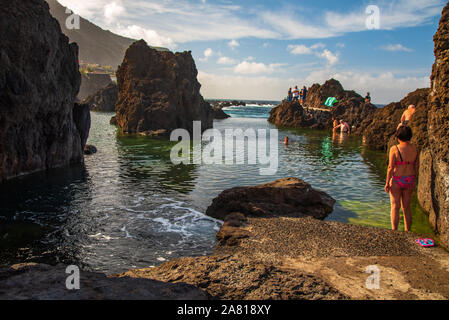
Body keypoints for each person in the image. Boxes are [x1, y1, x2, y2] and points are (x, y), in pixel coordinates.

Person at [385, 126, 419, 231]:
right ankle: (407, 231)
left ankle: (394, 231)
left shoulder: (394, 149)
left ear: (398, 136)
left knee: (395, 206)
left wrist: (387, 182)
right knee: (406, 207)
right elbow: (417, 166)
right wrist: (414, 180)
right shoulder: (415, 149)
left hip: (397, 179)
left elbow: (390, 167)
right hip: (410, 179)